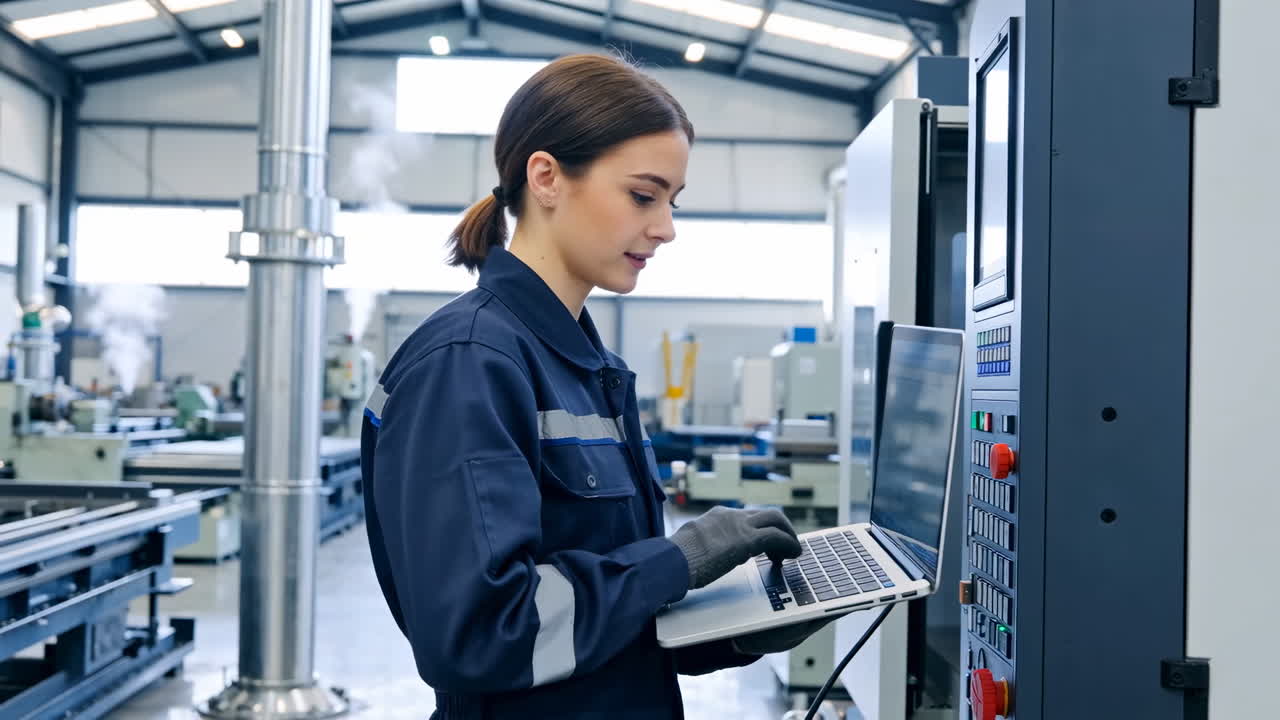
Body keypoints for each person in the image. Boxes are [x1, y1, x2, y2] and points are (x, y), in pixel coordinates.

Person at [361, 54, 829, 720]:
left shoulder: (586, 368)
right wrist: (678, 559)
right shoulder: (469, 366)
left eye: (672, 200)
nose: (666, 227)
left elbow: (599, 621)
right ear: (546, 177)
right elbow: (480, 636)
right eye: (644, 195)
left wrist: (737, 626)